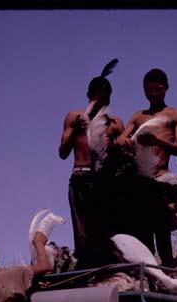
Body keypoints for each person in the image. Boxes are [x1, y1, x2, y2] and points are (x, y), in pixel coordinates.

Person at [117, 68, 177, 264]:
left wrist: (157, 141)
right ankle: (151, 281)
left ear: (166, 88)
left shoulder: (175, 114)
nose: (153, 94)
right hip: (140, 182)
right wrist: (124, 142)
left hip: (161, 180)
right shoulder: (138, 116)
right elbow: (120, 140)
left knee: (163, 234)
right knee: (143, 235)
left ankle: (167, 278)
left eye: (157, 90)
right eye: (148, 91)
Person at [59, 60, 124, 268]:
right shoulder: (74, 117)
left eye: (103, 97)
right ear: (89, 95)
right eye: (95, 95)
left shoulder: (115, 123)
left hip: (104, 180)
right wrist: (76, 130)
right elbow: (62, 152)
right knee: (82, 233)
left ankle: (105, 271)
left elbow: (123, 156)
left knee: (105, 230)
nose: (98, 100)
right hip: (80, 175)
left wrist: (120, 145)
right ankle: (86, 272)